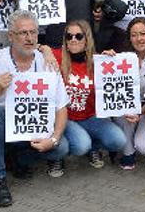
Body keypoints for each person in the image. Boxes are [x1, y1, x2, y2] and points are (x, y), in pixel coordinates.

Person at [0, 10, 70, 207]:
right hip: (0, 129)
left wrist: (53, 139)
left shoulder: (47, 63)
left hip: (30, 132)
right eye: (23, 33)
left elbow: (61, 107)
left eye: (33, 32)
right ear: (11, 36)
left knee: (61, 147)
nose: (29, 38)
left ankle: (18, 159)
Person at [53, 20, 126, 169]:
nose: (73, 39)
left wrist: (112, 61)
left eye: (79, 36)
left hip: (91, 117)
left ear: (87, 40)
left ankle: (93, 147)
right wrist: (44, 49)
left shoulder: (98, 62)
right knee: (81, 145)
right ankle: (58, 154)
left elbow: (117, 84)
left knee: (118, 140)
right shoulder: (57, 57)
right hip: (66, 119)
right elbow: (32, 48)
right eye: (69, 36)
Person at [112, 17, 145, 170]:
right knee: (123, 113)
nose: (139, 38)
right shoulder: (121, 59)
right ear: (129, 38)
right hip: (128, 108)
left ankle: (144, 143)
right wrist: (107, 60)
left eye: (143, 33)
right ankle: (128, 153)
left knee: (143, 146)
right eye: (134, 35)